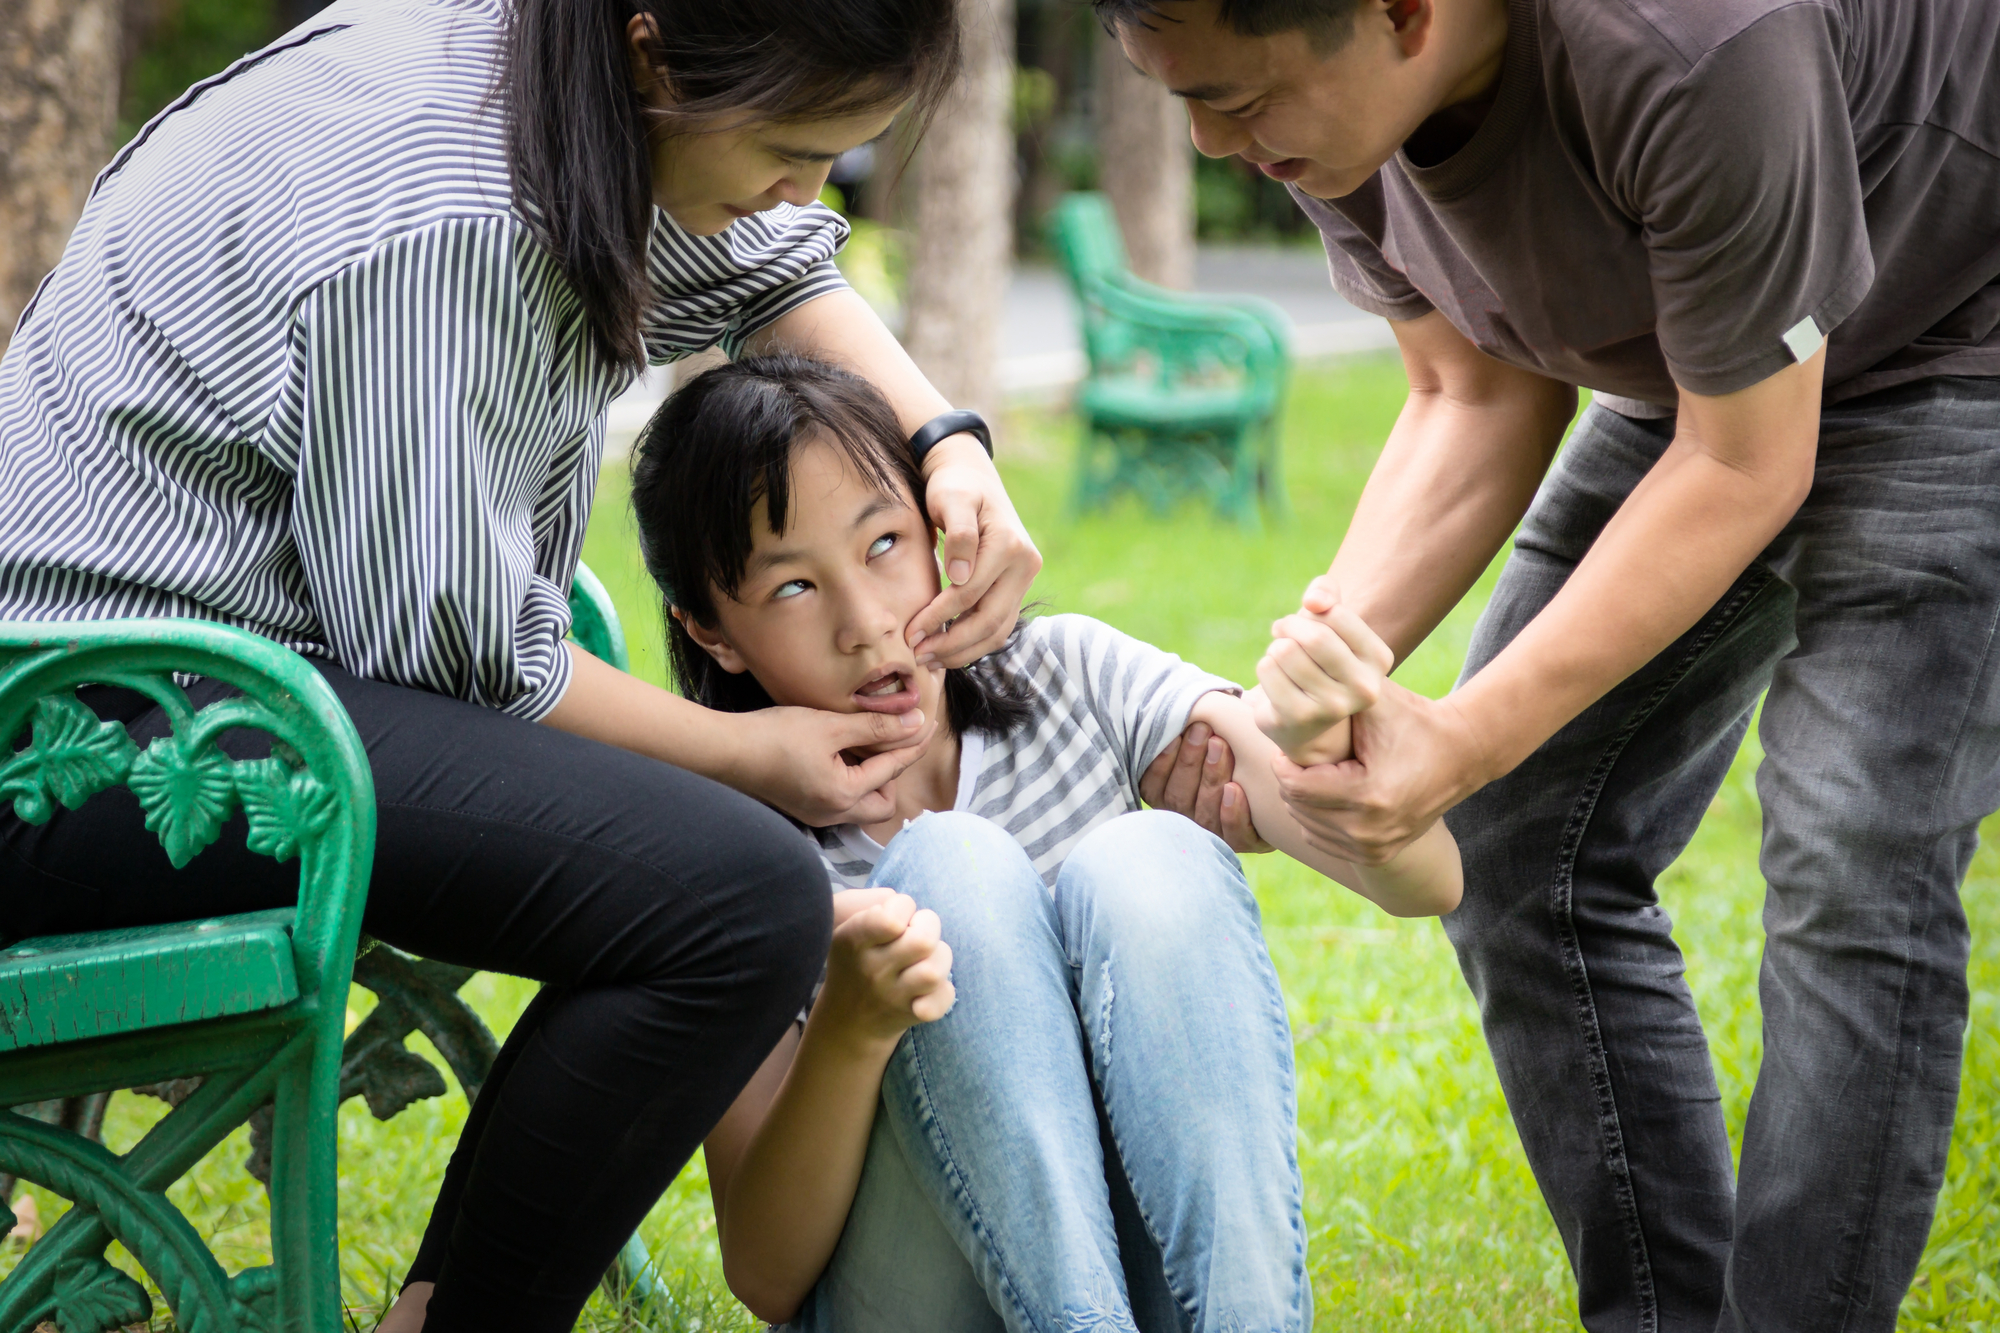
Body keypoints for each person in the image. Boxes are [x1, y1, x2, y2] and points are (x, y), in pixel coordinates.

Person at [0, 0, 1053, 1327]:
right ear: (659, 46)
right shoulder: (458, 211)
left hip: (238, 691)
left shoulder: (557, 73)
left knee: (721, 881)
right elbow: (464, 659)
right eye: (793, 146)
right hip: (83, 742)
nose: (807, 192)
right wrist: (741, 750)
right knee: (734, 899)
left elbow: (778, 270)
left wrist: (947, 440)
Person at [1099, 0, 2000, 1328]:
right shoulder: (1325, 115)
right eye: (1183, 98)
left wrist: (1460, 738)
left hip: (1948, 328)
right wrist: (1309, 693)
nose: (1210, 140)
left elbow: (1746, 462)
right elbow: (1471, 392)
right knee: (1516, 836)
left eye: (1234, 101)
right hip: (1707, 368)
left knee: (1855, 854)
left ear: (1405, 14)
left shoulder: (1693, 47)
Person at [625, 353, 1462, 1331]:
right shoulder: (728, 846)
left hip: (1139, 1273)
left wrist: (1324, 753)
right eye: (793, 589)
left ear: (940, 529)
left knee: (1154, 857)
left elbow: (1425, 882)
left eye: (884, 542)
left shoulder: (1070, 676)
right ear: (713, 633)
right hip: (905, 1296)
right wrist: (852, 1027)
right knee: (951, 872)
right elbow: (765, 1275)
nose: (865, 622)